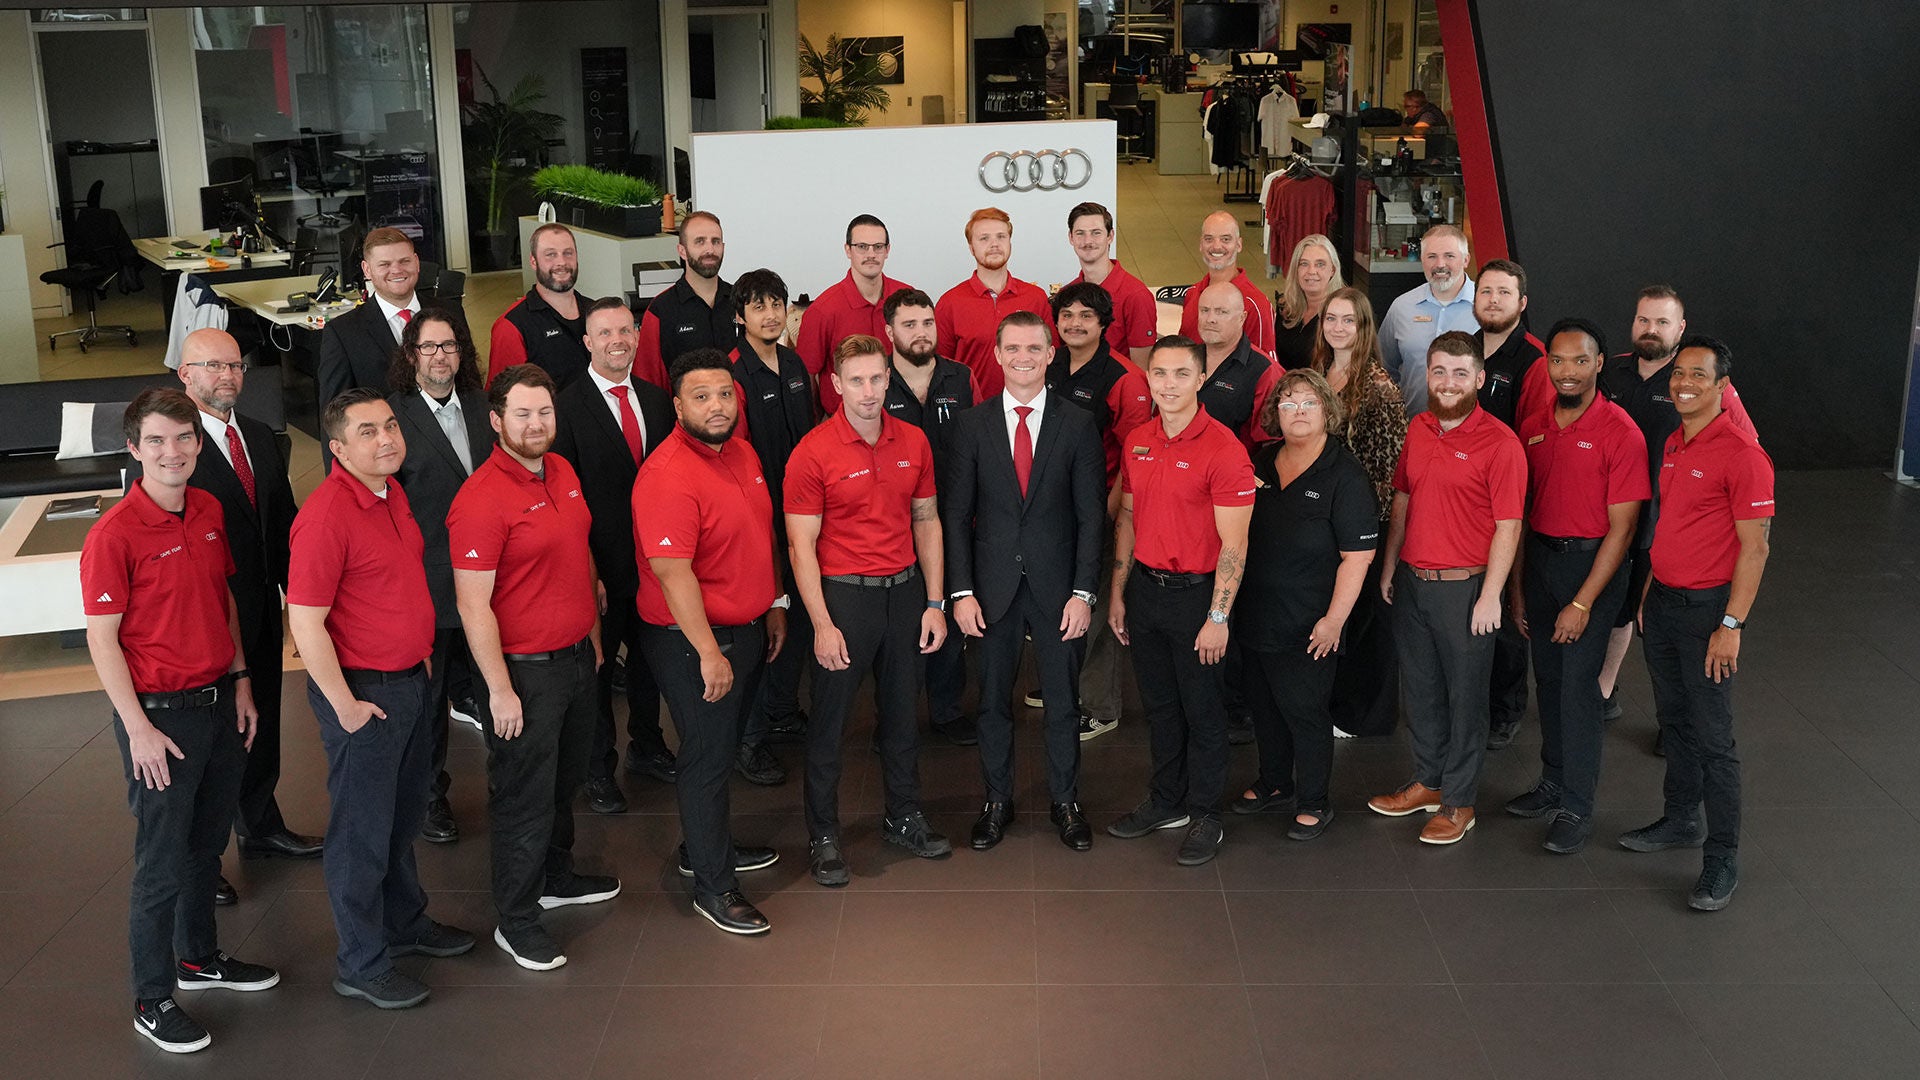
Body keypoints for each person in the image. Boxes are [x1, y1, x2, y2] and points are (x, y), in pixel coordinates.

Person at [83, 389, 278, 1055]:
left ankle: (198, 959)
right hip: (161, 721)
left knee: (205, 847)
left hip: (220, 704)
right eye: (158, 441)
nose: (174, 452)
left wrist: (243, 679)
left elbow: (222, 597)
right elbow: (103, 640)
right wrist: (136, 728)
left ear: (199, 443)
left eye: (184, 439)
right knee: (160, 864)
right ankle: (152, 996)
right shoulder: (113, 535)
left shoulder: (210, 508)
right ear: (134, 449)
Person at [288, 388, 476, 1010]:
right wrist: (344, 705)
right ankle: (361, 962)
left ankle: (404, 924)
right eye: (367, 432)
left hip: (408, 682)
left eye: (391, 426)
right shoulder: (324, 515)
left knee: (400, 821)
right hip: (363, 693)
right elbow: (307, 622)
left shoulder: (391, 493)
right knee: (360, 834)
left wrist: (420, 653)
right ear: (337, 449)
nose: (387, 440)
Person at [449, 365, 618, 971]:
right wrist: (498, 689)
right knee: (523, 797)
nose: (535, 424)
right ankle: (517, 920)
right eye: (522, 414)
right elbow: (472, 604)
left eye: (543, 412)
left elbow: (581, 563)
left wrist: (593, 641)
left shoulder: (563, 472)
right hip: (522, 674)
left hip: (575, 659)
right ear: (496, 422)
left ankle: (555, 875)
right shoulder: (479, 501)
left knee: (564, 784)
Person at [785, 334, 954, 887]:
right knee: (830, 726)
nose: (868, 392)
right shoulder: (812, 452)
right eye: (855, 381)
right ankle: (825, 835)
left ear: (889, 378)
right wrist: (822, 623)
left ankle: (904, 815)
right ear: (834, 385)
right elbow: (800, 546)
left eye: (877, 379)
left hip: (905, 595)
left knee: (903, 717)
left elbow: (927, 520)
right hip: (844, 599)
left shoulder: (914, 441)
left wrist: (934, 601)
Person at [633, 348, 788, 934]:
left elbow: (759, 534)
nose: (717, 405)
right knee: (705, 759)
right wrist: (708, 653)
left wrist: (774, 602)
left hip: (745, 629)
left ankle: (705, 847)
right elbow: (673, 573)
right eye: (701, 396)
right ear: (677, 405)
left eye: (724, 394)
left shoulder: (742, 452)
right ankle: (713, 886)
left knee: (721, 754)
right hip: (693, 641)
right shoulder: (668, 474)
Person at [1618, 335, 1773, 912]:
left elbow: (1754, 551)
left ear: (1722, 386)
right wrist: (1653, 588)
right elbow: (1675, 524)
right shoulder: (1676, 444)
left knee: (1714, 739)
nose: (1683, 384)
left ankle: (1721, 858)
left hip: (1710, 612)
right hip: (1663, 606)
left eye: (1697, 376)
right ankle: (1681, 819)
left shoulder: (1743, 454)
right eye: (1679, 374)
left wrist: (1731, 624)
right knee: (1675, 721)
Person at [943, 311, 1107, 852]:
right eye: (1012, 348)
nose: (1023, 358)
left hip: (1060, 590)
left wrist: (1085, 593)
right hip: (990, 592)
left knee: (1063, 703)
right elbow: (956, 516)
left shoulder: (1078, 423)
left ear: (1050, 354)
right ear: (996, 354)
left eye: (1034, 349)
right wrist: (960, 592)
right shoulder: (970, 425)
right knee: (992, 702)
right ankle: (997, 801)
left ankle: (1066, 801)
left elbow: (1090, 518)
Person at [165, 330, 318, 905]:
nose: (226, 376)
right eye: (211, 366)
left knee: (263, 719)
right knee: (210, 741)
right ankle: (200, 863)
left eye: (234, 365)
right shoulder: (175, 448)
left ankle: (262, 825)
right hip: (203, 623)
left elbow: (281, 524)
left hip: (260, 609)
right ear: (185, 375)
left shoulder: (257, 435)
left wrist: (302, 601)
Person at [1366, 331, 1524, 844]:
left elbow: (1509, 526)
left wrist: (1490, 596)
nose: (1448, 382)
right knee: (1424, 692)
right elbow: (1404, 501)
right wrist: (1391, 567)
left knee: (1465, 701)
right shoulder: (1419, 427)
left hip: (1466, 591)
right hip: (1413, 584)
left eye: (1460, 373)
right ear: (1427, 375)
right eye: (1439, 372)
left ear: (1479, 378)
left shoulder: (1501, 443)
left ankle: (1459, 801)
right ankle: (1428, 783)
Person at [1106, 335, 1256, 866]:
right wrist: (1119, 592)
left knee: (1204, 712)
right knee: (1161, 708)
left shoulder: (1223, 449)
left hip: (1198, 599)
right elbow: (1127, 516)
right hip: (1146, 593)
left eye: (1179, 375)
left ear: (1199, 381)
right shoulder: (1139, 441)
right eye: (1160, 374)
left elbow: (1235, 545)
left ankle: (1206, 814)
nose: (1168, 385)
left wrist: (1219, 617)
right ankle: (1166, 801)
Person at [1504, 319, 1648, 855]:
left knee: (1579, 692)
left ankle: (1577, 805)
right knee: (1549, 681)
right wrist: (1518, 590)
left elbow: (1624, 528)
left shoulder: (1621, 431)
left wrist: (1584, 601)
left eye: (1579, 361)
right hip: (1541, 565)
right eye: (1557, 361)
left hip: (1592, 572)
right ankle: (1552, 783)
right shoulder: (1535, 426)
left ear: (1599, 364)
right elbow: (1521, 514)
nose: (1567, 371)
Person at [1598, 286, 1758, 745]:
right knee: (1618, 611)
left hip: (1673, 529)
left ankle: (1677, 726)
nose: (1651, 330)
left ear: (1680, 328)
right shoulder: (1613, 371)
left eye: (1662, 322)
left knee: (1667, 632)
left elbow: (1747, 450)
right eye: (1644, 320)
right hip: (1612, 520)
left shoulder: (1699, 380)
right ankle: (1604, 694)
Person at [1231, 370, 1379, 840]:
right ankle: (1275, 783)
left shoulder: (1345, 473)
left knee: (1304, 710)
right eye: (1289, 402)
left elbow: (1358, 557)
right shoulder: (1262, 459)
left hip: (1310, 622)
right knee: (1264, 705)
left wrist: (1334, 620)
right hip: (1255, 612)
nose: (1297, 411)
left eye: (1309, 403)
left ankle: (1314, 799)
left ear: (1327, 412)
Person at [551, 297, 678, 815]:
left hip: (654, 565)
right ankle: (597, 768)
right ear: (587, 342)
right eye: (604, 333)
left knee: (652, 664)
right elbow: (565, 500)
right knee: (599, 675)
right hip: (600, 568)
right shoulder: (567, 404)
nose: (617, 341)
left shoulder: (657, 399)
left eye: (625, 330)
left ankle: (647, 746)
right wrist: (589, 569)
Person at [387, 312, 495, 844]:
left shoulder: (484, 406)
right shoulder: (394, 418)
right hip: (430, 582)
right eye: (428, 348)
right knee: (429, 704)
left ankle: (510, 783)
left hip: (494, 579)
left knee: (497, 685)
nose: (440, 357)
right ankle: (431, 797)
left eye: (449, 346)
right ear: (412, 357)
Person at [1048, 282, 1152, 742]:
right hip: (1054, 510)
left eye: (1085, 316)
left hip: (1100, 513)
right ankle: (1061, 687)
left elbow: (1133, 458)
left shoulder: (1123, 378)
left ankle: (1100, 705)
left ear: (1104, 323)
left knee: (1098, 608)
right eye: (1066, 315)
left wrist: (1106, 516)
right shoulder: (1052, 366)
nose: (1074, 323)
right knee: (1057, 602)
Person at [729, 268, 818, 786]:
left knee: (799, 618)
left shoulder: (793, 362)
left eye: (777, 304)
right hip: (757, 517)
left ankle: (782, 712)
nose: (770, 314)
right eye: (758, 306)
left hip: (801, 512)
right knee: (765, 626)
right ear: (740, 316)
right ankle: (750, 738)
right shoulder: (734, 372)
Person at [883, 286, 977, 748]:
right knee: (901, 625)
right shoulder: (877, 383)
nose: (921, 334)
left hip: (955, 519)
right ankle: (893, 721)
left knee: (951, 614)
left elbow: (983, 442)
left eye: (927, 323)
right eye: (909, 325)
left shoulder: (961, 378)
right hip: (895, 524)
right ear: (889, 332)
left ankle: (947, 710)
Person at [1311, 288, 1407, 738]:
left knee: (1370, 619)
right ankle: (1336, 702)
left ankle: (1365, 716)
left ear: (1364, 327)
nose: (1338, 328)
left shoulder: (1379, 388)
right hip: (1324, 520)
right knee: (1338, 614)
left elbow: (1390, 470)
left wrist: (1373, 533)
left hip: (1365, 521)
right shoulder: (1317, 374)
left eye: (1349, 320)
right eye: (1332, 318)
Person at [1472, 258, 1548, 751]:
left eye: (1503, 293)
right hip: (1467, 498)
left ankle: (1506, 709)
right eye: (1486, 292)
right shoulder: (1468, 349)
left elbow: (1533, 439)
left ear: (1521, 304)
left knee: (1506, 605)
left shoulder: (1534, 359)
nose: (1493, 300)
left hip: (1508, 499)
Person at [318, 228, 469, 468]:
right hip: (388, 460)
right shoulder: (343, 332)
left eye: (404, 261)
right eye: (385, 264)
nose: (397, 270)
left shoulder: (451, 313)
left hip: (455, 450)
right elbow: (333, 415)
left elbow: (469, 382)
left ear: (417, 262)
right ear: (367, 270)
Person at [796, 214, 911, 414]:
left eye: (878, 247)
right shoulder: (823, 310)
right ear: (848, 250)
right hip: (844, 422)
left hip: (903, 418)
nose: (871, 254)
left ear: (887, 250)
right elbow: (807, 376)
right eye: (862, 247)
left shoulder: (907, 298)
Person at [936, 207, 1053, 400]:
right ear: (971, 247)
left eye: (1001, 237)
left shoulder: (1035, 298)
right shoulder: (950, 302)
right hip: (971, 412)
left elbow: (1050, 358)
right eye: (984, 238)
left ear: (1010, 242)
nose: (994, 244)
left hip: (1028, 409)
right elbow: (940, 367)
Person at [1378, 224, 1479, 414]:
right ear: (1422, 260)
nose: (1440, 264)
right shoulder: (1402, 307)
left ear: (1466, 260)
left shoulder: (1485, 307)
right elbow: (1384, 369)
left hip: (1470, 432)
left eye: (1449, 256)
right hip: (1411, 427)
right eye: (1432, 256)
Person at [633, 210, 736, 390]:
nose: (710, 249)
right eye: (699, 241)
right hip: (683, 417)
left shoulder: (741, 302)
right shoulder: (660, 311)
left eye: (716, 241)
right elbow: (647, 382)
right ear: (682, 251)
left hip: (740, 416)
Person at [488, 223, 594, 388]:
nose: (561, 262)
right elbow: (502, 399)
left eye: (568, 253)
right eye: (550, 254)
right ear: (533, 261)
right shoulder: (512, 326)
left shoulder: (596, 312)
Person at [1194, 279, 1285, 448]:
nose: (1210, 319)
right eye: (1205, 310)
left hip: (1233, 471)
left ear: (1242, 318)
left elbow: (1271, 446)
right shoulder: (1186, 359)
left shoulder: (1265, 372)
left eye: (1221, 312)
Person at [1064, 201, 1157, 364]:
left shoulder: (1136, 296)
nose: (1088, 241)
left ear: (1110, 236)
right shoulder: (1068, 295)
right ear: (1071, 237)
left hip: (1118, 388)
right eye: (1080, 233)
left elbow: (1141, 370)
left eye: (1096, 233)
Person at [1177, 210, 1276, 356]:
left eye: (1225, 239)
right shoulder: (1193, 293)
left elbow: (1267, 370)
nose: (1216, 247)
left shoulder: (1256, 304)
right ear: (1200, 245)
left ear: (1239, 245)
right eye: (1209, 239)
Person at [1271, 233, 1344, 369]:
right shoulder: (1285, 307)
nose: (1311, 271)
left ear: (1333, 270)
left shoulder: (1344, 313)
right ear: (1296, 269)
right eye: (1304, 264)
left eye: (1320, 264)